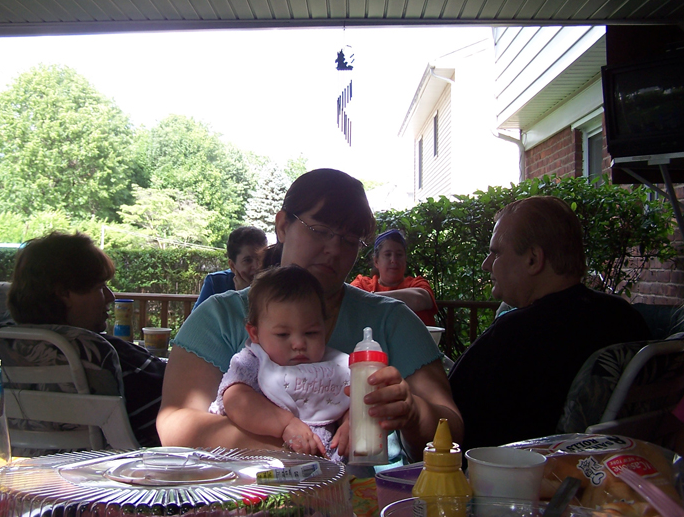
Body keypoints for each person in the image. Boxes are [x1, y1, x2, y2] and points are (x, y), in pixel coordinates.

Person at [158, 168, 462, 468]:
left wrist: (412, 413)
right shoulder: (219, 318)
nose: (334, 249)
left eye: (349, 239)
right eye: (321, 230)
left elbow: (453, 429)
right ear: (283, 226)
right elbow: (176, 424)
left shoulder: (393, 321)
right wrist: (298, 455)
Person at [448, 196, 650, 451]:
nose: (486, 264)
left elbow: (445, 426)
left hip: (516, 482)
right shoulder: (625, 317)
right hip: (610, 475)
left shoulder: (515, 338)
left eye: (496, 252)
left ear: (533, 259)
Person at [7, 231, 166, 447]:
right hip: (111, 471)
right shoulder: (104, 354)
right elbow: (179, 393)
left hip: (22, 469)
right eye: (100, 288)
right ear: (64, 294)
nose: (110, 297)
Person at [209, 265, 350, 463]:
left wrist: (351, 421)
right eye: (283, 334)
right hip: (266, 475)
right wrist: (285, 425)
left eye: (311, 333)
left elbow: (347, 399)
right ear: (255, 334)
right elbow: (235, 399)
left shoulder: (333, 365)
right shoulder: (254, 362)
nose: (299, 344)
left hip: (328, 479)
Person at [351, 229, 439, 326]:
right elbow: (350, 304)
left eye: (399, 255)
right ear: (376, 261)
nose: (394, 260)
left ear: (405, 259)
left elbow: (419, 300)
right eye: (388, 254)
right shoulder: (362, 284)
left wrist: (370, 299)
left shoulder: (417, 284)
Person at [193, 226, 267, 309]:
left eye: (261, 258)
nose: (257, 266)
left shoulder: (272, 283)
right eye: (248, 260)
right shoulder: (216, 283)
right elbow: (196, 320)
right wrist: (242, 296)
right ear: (232, 266)